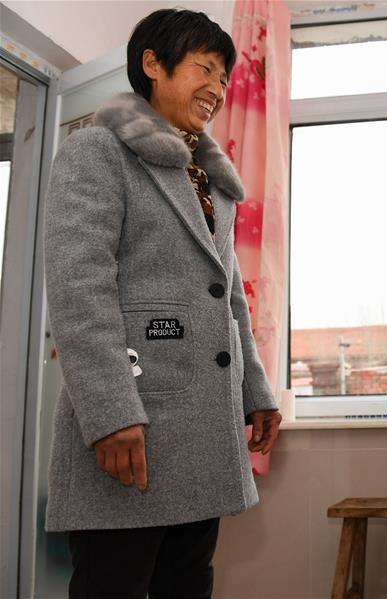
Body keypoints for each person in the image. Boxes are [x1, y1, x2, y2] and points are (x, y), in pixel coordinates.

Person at [43, 9, 281, 599]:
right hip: (134, 429)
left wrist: (256, 391)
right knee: (113, 584)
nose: (218, 89)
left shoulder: (211, 181)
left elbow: (228, 302)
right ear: (152, 64)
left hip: (204, 430)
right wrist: (110, 413)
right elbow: (79, 289)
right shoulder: (97, 152)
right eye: (205, 68)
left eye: (225, 78)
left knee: (188, 585)